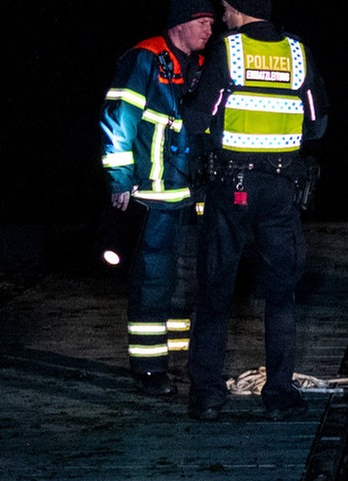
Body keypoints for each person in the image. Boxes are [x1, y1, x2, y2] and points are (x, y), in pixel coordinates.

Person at [183, 0, 329, 421]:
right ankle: (279, 394)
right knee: (281, 295)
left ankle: (209, 395)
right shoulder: (297, 52)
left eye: (225, 9)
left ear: (237, 9)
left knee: (214, 292)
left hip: (232, 189)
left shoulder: (228, 51)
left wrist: (195, 99)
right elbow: (317, 125)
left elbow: (197, 120)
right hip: (282, 191)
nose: (222, 16)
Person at [100, 1, 218, 397]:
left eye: (211, 23)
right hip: (151, 196)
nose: (208, 29)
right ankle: (149, 371)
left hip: (191, 195)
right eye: (203, 22)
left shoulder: (200, 64)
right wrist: (119, 178)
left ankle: (180, 364)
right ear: (181, 23)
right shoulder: (146, 58)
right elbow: (118, 118)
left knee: (187, 284)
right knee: (153, 283)